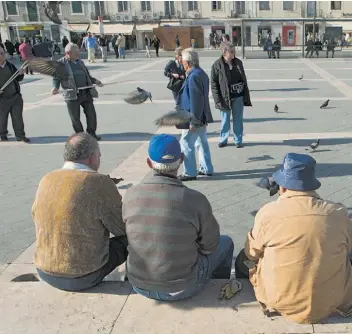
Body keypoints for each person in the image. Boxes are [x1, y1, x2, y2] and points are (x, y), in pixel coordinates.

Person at [238, 153, 352, 324]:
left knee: (242, 259)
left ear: (282, 187)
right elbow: (349, 247)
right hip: (334, 299)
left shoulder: (268, 212)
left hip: (279, 300)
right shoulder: (338, 212)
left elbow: (251, 253)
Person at [123, 134, 233, 301]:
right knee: (226, 243)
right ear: (181, 159)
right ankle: (217, 285)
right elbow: (211, 246)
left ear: (148, 162)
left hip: (139, 285)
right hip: (183, 288)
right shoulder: (195, 199)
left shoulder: (130, 195)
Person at [32, 133, 127, 291]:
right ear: (92, 157)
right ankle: (140, 280)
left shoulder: (46, 179)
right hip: (85, 275)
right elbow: (122, 228)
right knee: (135, 235)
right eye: (99, 155)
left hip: (44, 270)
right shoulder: (99, 182)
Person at [52, 43, 104, 141]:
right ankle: (80, 136)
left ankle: (91, 133)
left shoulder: (80, 62)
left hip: (85, 92)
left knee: (91, 114)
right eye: (75, 53)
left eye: (78, 52)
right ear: (68, 53)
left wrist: (95, 81)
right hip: (72, 95)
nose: (78, 54)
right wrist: (54, 87)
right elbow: (56, 78)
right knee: (75, 117)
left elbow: (87, 76)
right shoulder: (60, 64)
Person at [177, 48, 214, 181]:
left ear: (188, 62)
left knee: (186, 143)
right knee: (201, 142)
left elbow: (196, 100)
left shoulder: (193, 76)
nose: (182, 64)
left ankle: (190, 172)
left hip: (194, 116)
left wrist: (193, 121)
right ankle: (206, 168)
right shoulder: (201, 73)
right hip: (202, 115)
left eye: (183, 61)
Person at [211, 42, 252, 148]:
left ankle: (238, 140)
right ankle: (223, 139)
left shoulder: (238, 62)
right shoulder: (217, 65)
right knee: (225, 120)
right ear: (224, 52)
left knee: (238, 119)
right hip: (225, 98)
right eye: (231, 51)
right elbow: (214, 84)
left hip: (238, 95)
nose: (234, 53)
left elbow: (243, 78)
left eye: (234, 51)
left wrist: (244, 91)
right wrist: (217, 100)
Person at [0, 45, 29, 143]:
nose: (3, 55)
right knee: (2, 119)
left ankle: (20, 135)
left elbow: (17, 79)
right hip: (2, 99)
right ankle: (2, 135)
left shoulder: (10, 65)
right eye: (0, 54)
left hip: (15, 97)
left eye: (3, 53)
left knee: (18, 118)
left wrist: (21, 73)